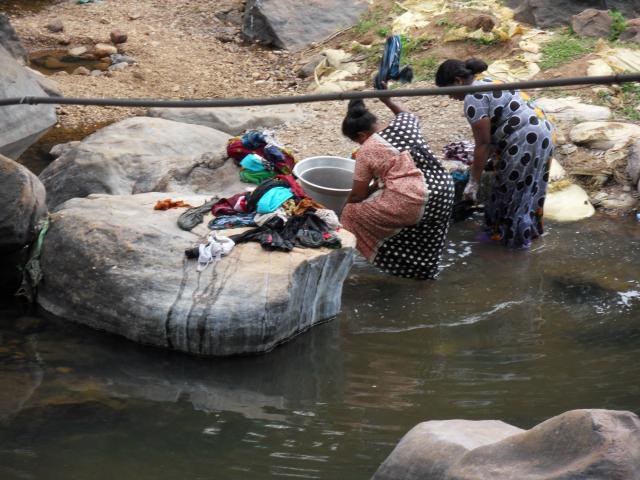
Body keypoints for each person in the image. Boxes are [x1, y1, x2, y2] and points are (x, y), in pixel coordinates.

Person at [435, 58, 555, 249]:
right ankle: (526, 235)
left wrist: (473, 183)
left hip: (524, 139)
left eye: (448, 91)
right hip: (543, 131)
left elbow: (483, 144)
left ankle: (511, 247)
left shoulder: (473, 97)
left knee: (511, 195)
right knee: (530, 192)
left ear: (458, 81)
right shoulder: (488, 81)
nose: (450, 97)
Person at [340, 95, 454, 279]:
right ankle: (426, 278)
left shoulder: (366, 149)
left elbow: (356, 196)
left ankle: (345, 268)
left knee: (350, 214)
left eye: (357, 141)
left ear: (361, 135)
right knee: (430, 236)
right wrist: (387, 99)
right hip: (444, 191)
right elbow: (406, 113)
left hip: (413, 199)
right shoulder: (405, 124)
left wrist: (340, 208)